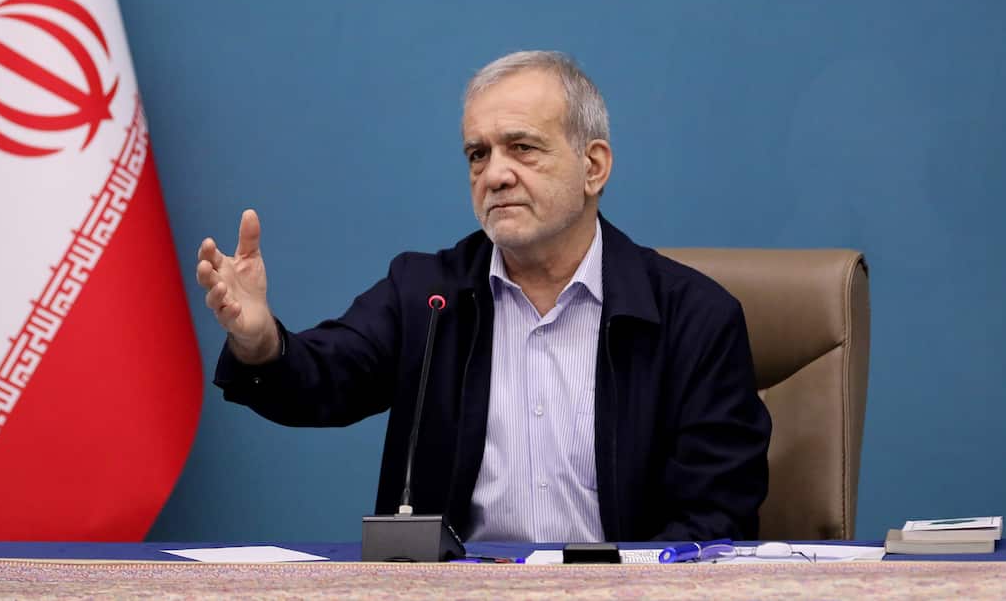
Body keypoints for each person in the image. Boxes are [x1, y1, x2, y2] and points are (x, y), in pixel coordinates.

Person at [197, 50, 770, 543]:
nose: (495, 175)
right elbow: (320, 382)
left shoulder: (694, 317)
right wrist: (260, 341)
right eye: (479, 154)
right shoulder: (427, 295)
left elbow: (715, 518)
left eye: (522, 148)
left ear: (593, 167)